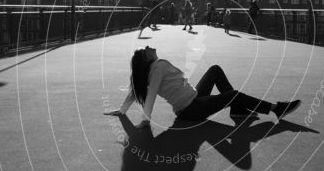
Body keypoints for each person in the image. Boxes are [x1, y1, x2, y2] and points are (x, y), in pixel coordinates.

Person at [104, 46, 301, 127]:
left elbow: (133, 93)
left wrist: (122, 111)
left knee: (214, 70)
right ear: (146, 59)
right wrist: (146, 120)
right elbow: (151, 94)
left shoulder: (153, 69)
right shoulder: (156, 68)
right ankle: (276, 109)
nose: (148, 47)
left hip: (194, 98)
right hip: (191, 109)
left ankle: (238, 110)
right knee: (233, 94)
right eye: (145, 50)